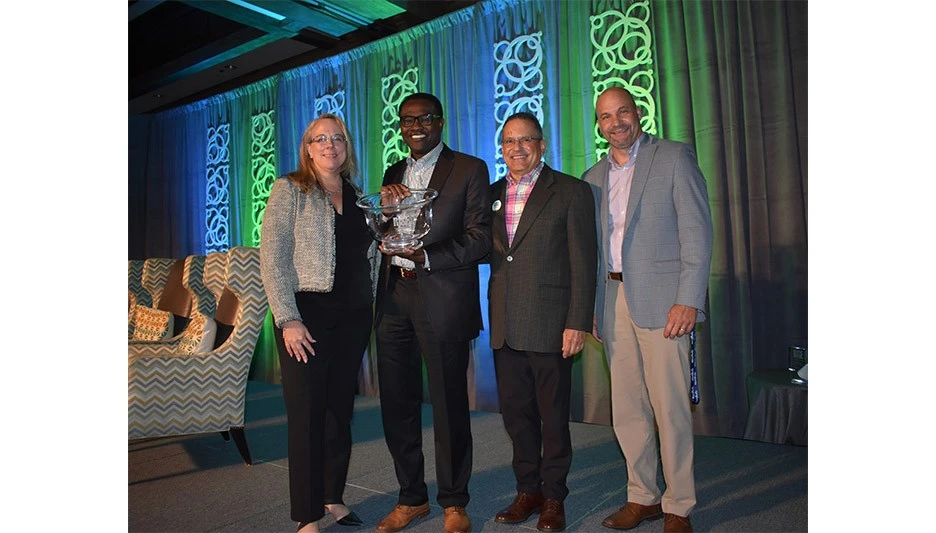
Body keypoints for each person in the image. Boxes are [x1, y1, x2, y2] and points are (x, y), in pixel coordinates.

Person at [582, 87, 713, 533]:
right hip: (612, 299)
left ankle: (679, 504)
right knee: (627, 407)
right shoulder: (592, 177)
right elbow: (595, 250)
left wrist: (689, 298)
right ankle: (643, 496)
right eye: (606, 116)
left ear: (637, 113)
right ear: (599, 124)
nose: (616, 122)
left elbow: (697, 231)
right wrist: (593, 306)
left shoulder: (673, 157)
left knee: (669, 407)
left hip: (665, 302)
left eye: (623, 112)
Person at [374, 92, 492, 533]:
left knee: (447, 404)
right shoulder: (392, 172)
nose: (416, 126)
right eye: (407, 120)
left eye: (424, 118)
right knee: (396, 403)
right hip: (393, 296)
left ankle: (454, 501)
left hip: (440, 296)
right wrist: (383, 216)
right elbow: (382, 229)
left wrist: (426, 256)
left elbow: (480, 238)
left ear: (440, 122)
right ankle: (411, 498)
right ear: (400, 127)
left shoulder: (469, 169)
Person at [259, 113, 378, 533]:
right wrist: (287, 318)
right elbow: (272, 257)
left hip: (354, 317)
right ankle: (307, 515)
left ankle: (333, 496)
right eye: (320, 139)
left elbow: (369, 255)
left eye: (337, 138)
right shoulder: (290, 189)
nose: (330, 145)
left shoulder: (360, 196)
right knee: (307, 414)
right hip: (305, 316)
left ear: (347, 146)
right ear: (308, 149)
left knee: (339, 412)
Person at [487, 112, 597, 532]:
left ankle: (554, 496)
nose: (517, 148)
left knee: (552, 417)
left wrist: (577, 321)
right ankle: (527, 490)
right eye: (509, 141)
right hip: (505, 324)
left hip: (551, 324)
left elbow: (584, 262)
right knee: (516, 416)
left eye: (526, 140)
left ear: (542, 145)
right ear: (502, 148)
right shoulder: (490, 194)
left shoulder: (570, 191)